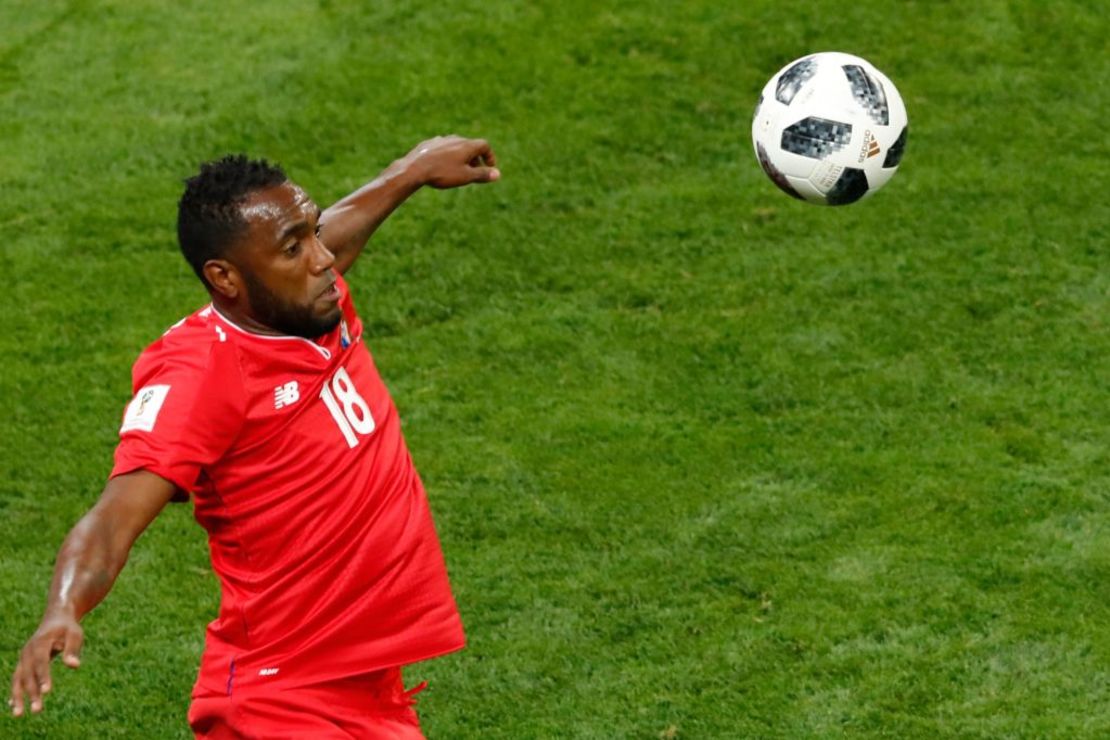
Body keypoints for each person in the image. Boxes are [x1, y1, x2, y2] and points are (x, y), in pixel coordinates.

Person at [8, 136, 500, 737]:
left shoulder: (304, 297)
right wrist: (63, 607)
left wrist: (412, 171)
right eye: (294, 247)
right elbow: (114, 517)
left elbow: (333, 238)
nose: (321, 259)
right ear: (226, 278)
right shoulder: (201, 376)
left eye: (313, 232)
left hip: (359, 683)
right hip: (284, 698)